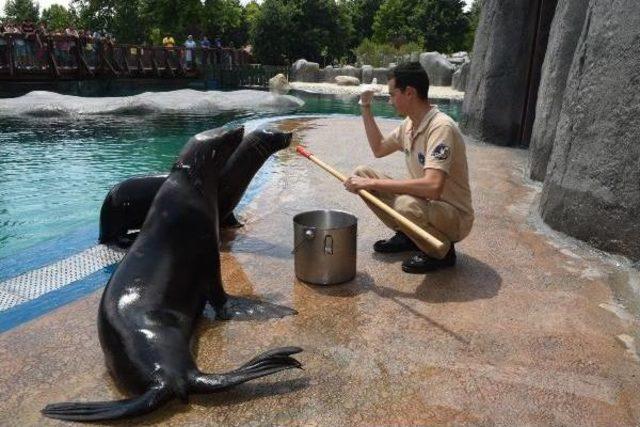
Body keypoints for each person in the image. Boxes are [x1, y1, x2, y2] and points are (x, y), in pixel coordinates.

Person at [344, 62, 474, 273]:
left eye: (392, 94)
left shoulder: (441, 127)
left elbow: (433, 187)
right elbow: (379, 148)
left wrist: (373, 182)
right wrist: (365, 106)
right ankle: (409, 235)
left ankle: (441, 251)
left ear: (410, 93)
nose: (390, 100)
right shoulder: (409, 124)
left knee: (404, 204)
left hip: (453, 216)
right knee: (361, 174)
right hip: (426, 205)